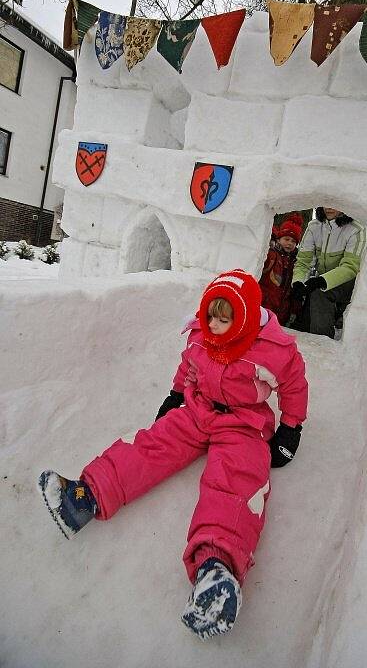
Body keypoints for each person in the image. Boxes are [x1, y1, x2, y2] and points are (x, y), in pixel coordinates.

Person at [38, 269, 308, 641]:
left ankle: (217, 568)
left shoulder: (271, 349)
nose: (214, 325)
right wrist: (178, 394)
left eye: (224, 319)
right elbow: (189, 365)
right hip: (197, 410)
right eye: (210, 315)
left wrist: (291, 427)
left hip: (243, 423)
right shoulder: (200, 333)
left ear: (243, 319)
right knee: (151, 445)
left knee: (236, 478)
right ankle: (85, 496)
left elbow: (294, 383)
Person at [291, 207, 367, 338]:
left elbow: (351, 267)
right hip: (322, 280)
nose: (329, 207)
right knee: (306, 293)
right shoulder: (314, 227)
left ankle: (322, 342)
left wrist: (322, 281)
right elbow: (304, 261)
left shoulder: (356, 229)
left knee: (319, 292)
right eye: (325, 202)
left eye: (334, 203)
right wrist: (298, 282)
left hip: (349, 283)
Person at [259, 213, 303, 326]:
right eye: (286, 239)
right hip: (265, 303)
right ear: (279, 239)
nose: (289, 243)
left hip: (282, 308)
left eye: (293, 241)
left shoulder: (295, 261)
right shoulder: (272, 254)